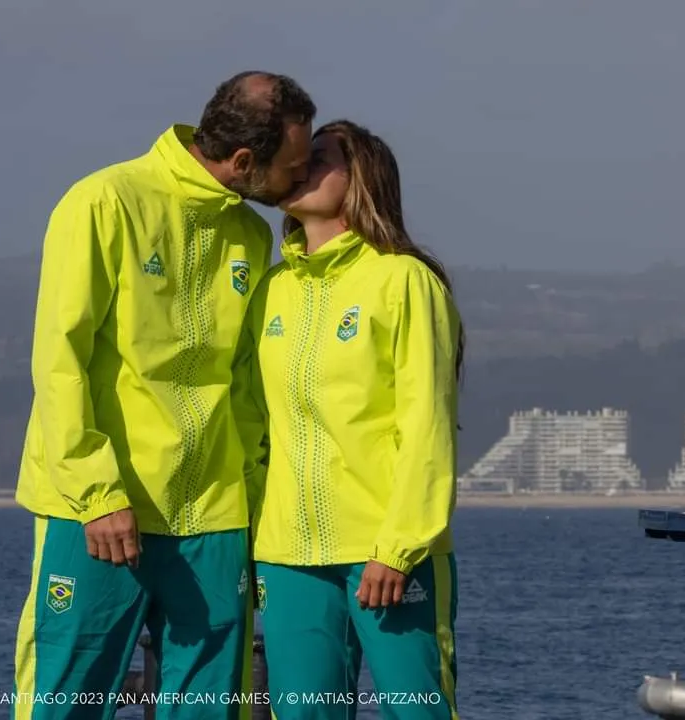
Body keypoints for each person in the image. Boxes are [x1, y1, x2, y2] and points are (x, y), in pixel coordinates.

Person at [11, 71, 315, 720]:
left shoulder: (249, 237)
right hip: (95, 510)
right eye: (291, 168)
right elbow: (58, 359)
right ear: (242, 162)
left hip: (213, 516)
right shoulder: (104, 201)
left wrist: (251, 504)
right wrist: (95, 494)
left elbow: (241, 387)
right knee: (65, 702)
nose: (299, 181)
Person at [234, 120, 464, 720]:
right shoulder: (271, 291)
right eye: (296, 157)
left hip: (386, 551)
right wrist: (250, 535)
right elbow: (254, 428)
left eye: (319, 157)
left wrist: (399, 545)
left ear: (362, 175)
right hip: (285, 556)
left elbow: (426, 426)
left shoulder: (404, 281)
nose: (300, 166)